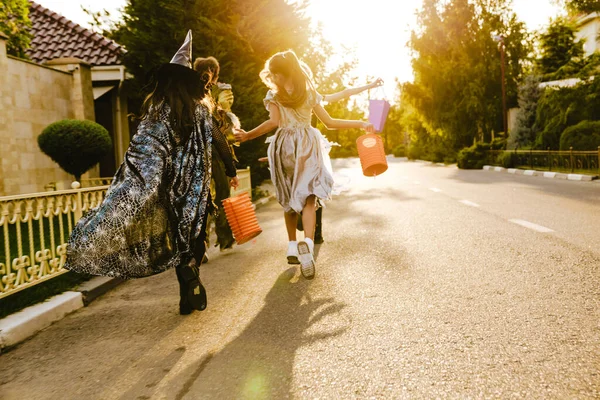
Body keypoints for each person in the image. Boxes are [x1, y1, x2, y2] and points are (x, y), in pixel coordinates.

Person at [64, 30, 238, 315]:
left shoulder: (156, 109)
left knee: (176, 236)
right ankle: (192, 274)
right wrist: (230, 167)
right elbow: (217, 139)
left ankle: (185, 284)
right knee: (195, 235)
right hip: (196, 188)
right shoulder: (200, 110)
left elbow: (143, 148)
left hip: (167, 187)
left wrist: (134, 180)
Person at [234, 49, 375, 280]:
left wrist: (248, 135)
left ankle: (292, 245)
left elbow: (274, 122)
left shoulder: (275, 96)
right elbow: (329, 123)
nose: (273, 78)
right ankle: (307, 243)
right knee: (310, 197)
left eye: (274, 74)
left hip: (284, 148)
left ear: (282, 73)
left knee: (290, 198)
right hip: (308, 146)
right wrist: (360, 123)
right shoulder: (308, 93)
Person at [295, 77, 385, 244]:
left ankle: (316, 233)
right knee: (299, 192)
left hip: (313, 149)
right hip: (294, 149)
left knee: (316, 190)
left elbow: (345, 93)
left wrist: (370, 85)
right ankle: (303, 220)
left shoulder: (313, 97)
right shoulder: (286, 99)